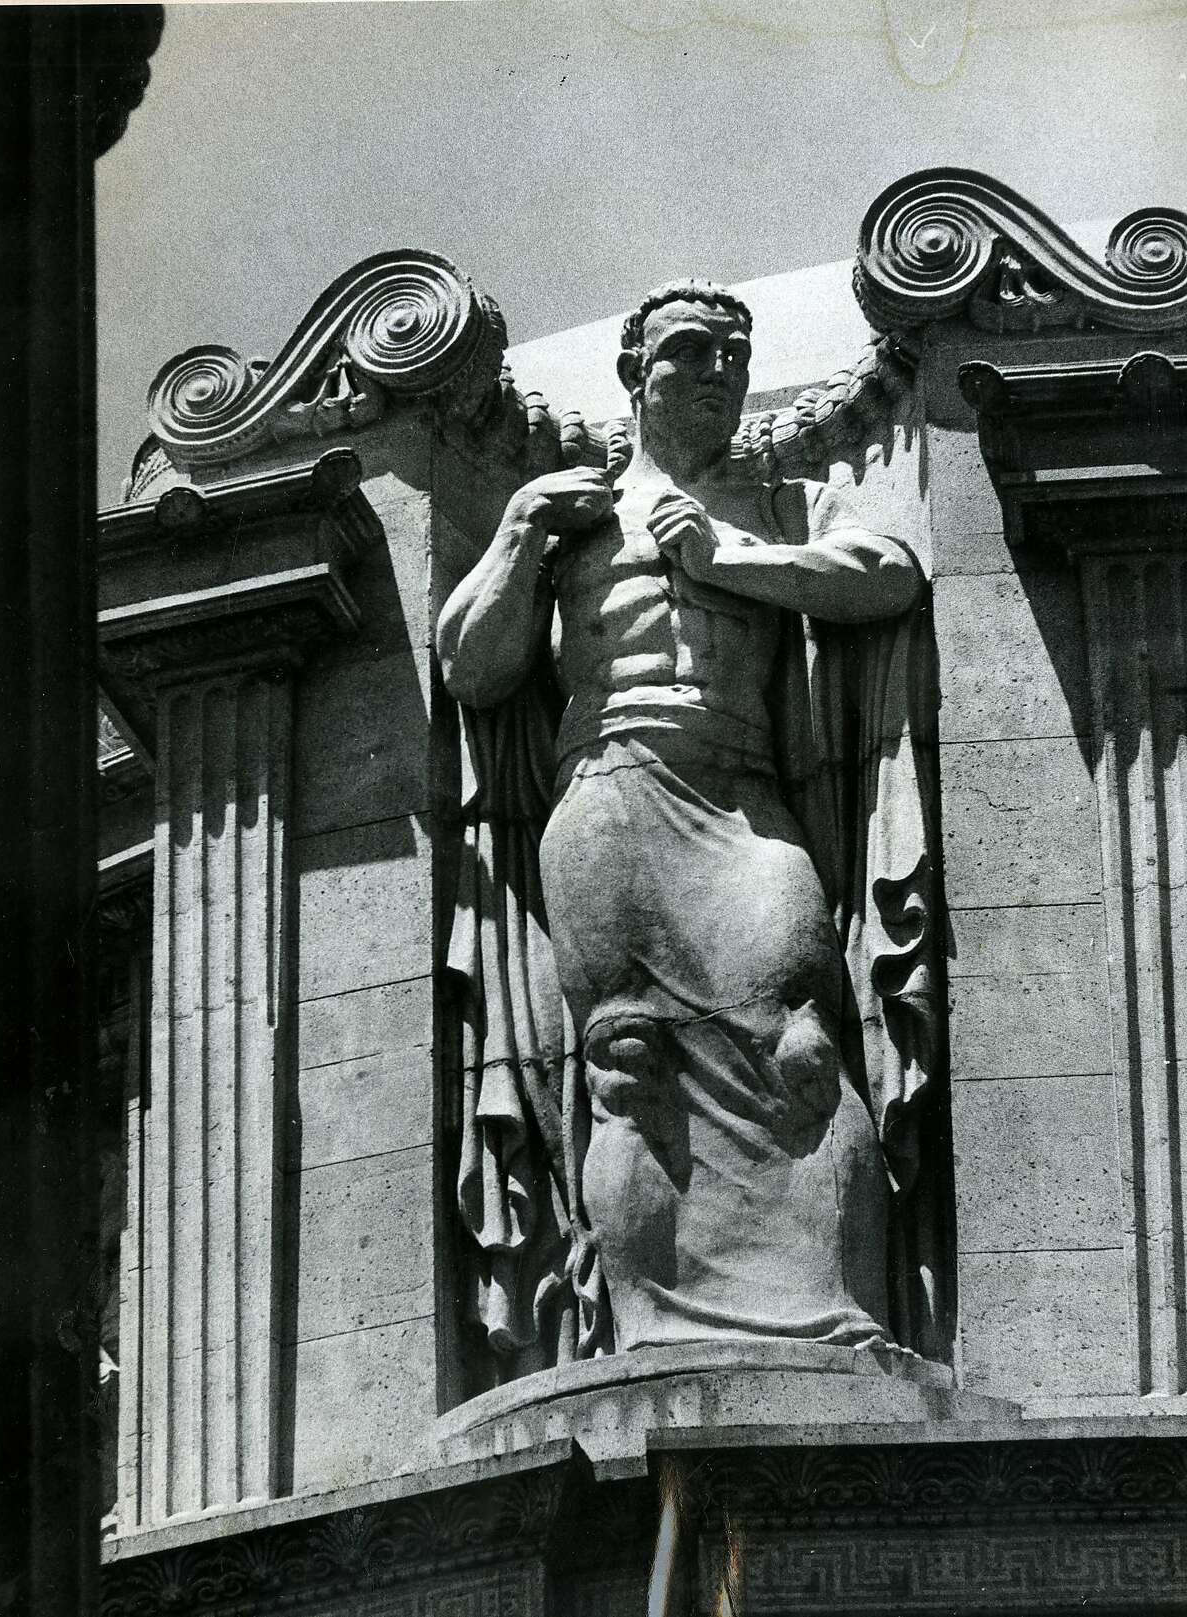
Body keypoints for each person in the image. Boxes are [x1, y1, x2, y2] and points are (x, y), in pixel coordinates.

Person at [438, 280, 930, 1359]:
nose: (718, 372)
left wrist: (727, 558)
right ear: (635, 375)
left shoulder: (783, 501)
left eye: (733, 356)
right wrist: (520, 531)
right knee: (629, 1060)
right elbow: (472, 664)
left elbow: (888, 573)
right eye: (693, 351)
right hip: (609, 794)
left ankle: (836, 1315)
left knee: (805, 1045)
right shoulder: (569, 519)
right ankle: (652, 1327)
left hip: (745, 801)